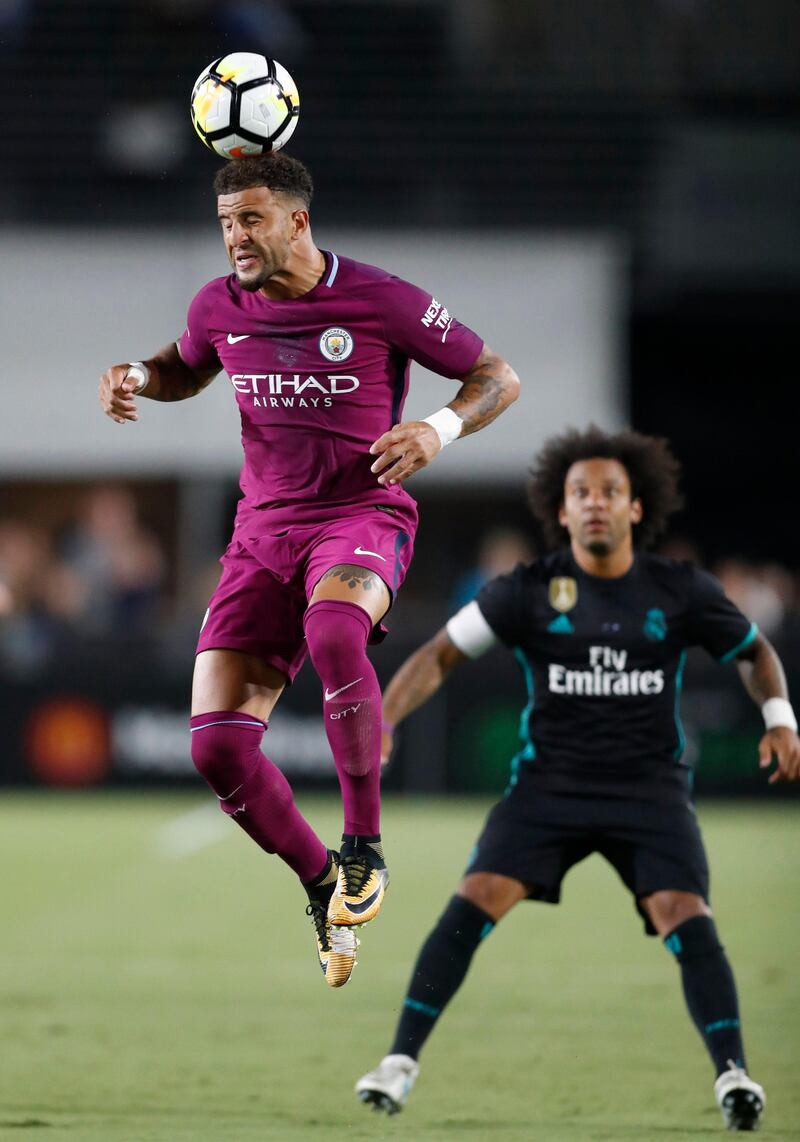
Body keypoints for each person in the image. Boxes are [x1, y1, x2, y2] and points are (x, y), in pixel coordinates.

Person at [98, 152, 520, 989]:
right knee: (217, 750)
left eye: (251, 220)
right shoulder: (220, 303)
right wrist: (139, 376)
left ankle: (364, 847)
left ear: (296, 220)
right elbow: (189, 363)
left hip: (360, 516)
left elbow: (496, 376)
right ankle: (322, 882)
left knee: (334, 630)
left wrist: (436, 429)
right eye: (225, 224)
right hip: (261, 534)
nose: (236, 239)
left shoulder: (379, 297)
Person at [355, 425, 799, 1130]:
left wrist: (780, 717)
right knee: (474, 899)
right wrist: (383, 718)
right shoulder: (528, 590)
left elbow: (753, 651)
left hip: (649, 789)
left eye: (610, 492)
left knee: (683, 913)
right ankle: (398, 1063)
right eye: (581, 492)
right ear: (560, 511)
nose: (595, 503)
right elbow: (440, 654)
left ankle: (734, 1075)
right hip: (548, 787)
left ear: (635, 507)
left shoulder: (679, 590)